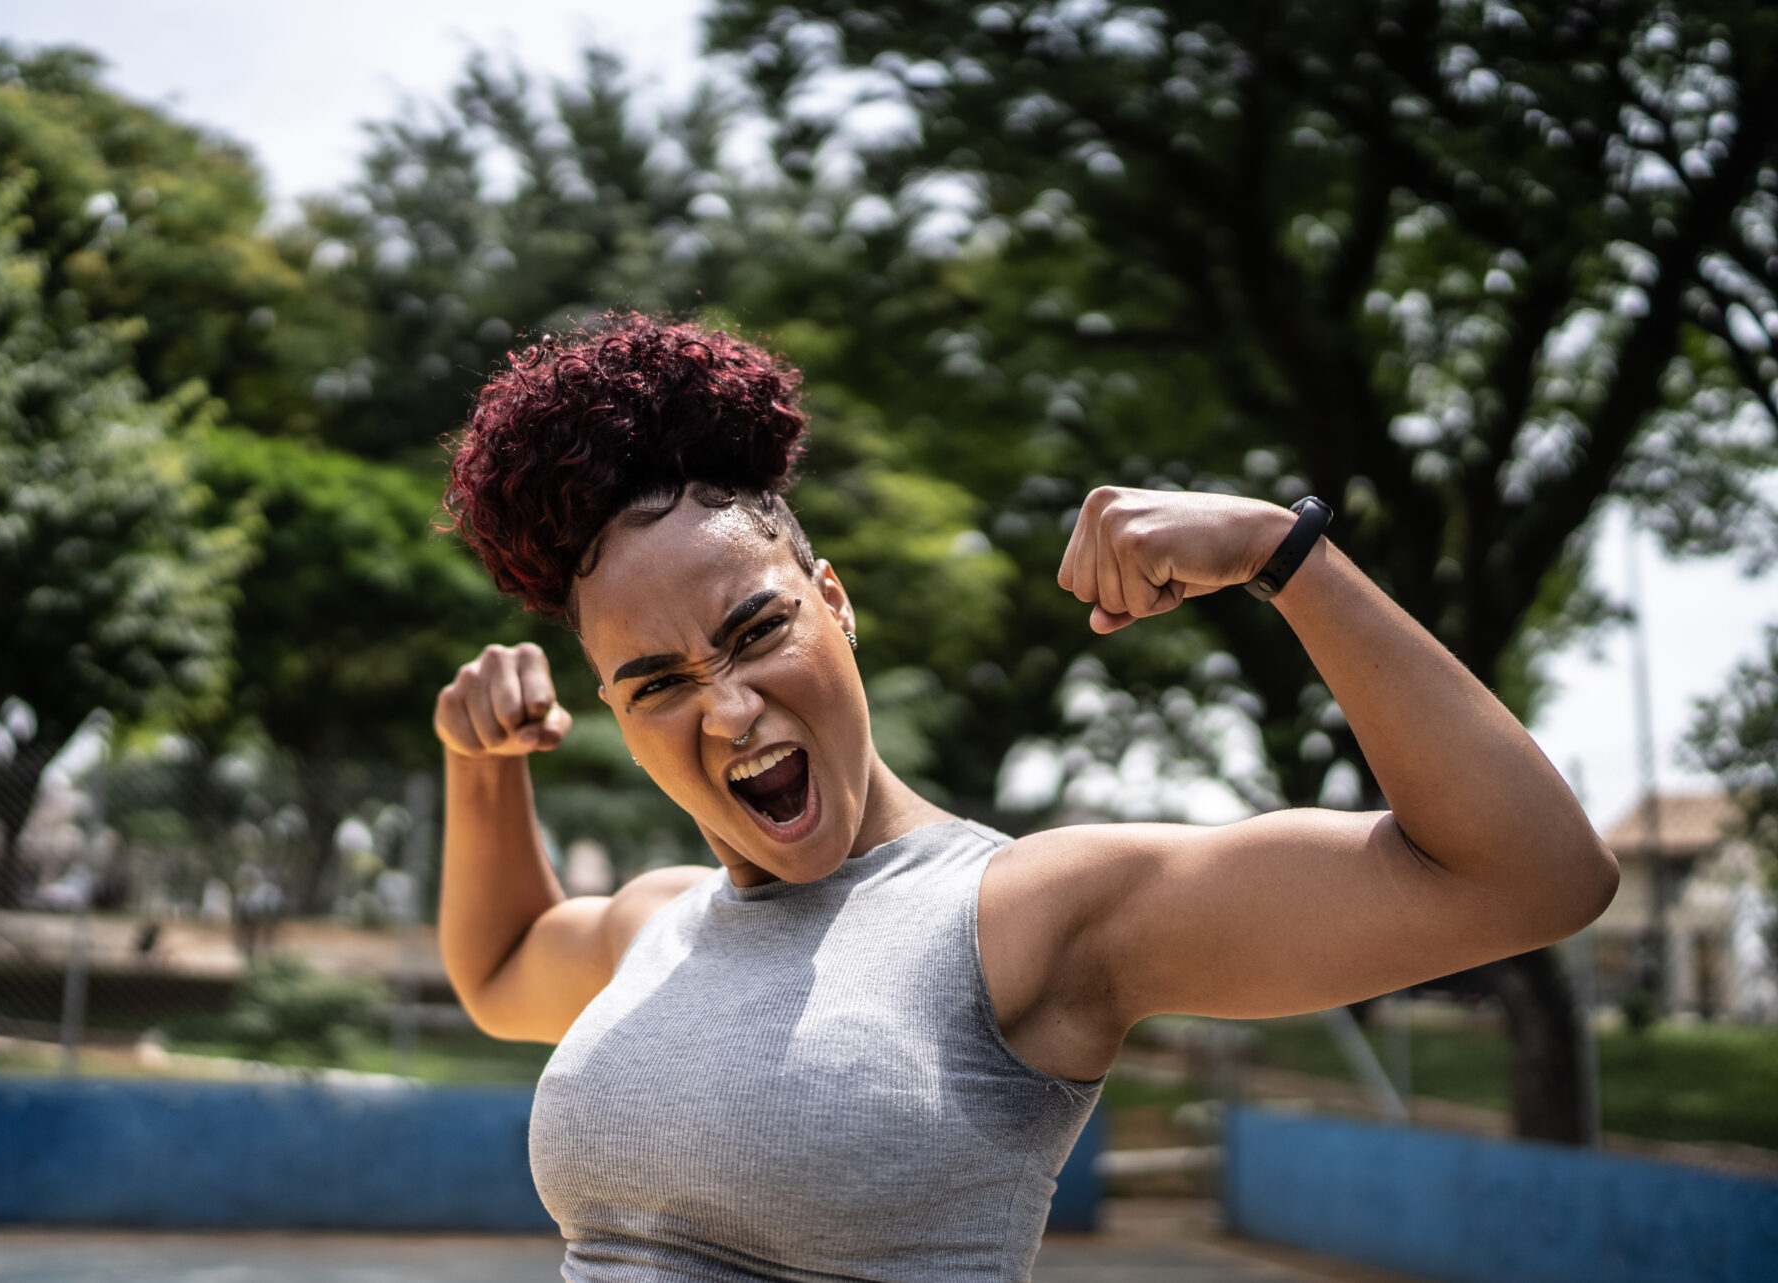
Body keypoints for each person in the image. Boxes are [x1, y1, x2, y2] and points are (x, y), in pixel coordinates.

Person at [434, 315, 1618, 1282]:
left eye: (758, 630)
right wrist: (480, 765)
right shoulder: (659, 922)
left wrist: (1285, 557)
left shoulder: (1022, 914)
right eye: (658, 684)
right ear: (614, 711)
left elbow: (1530, 876)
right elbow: (497, 970)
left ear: (834, 602)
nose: (731, 708)